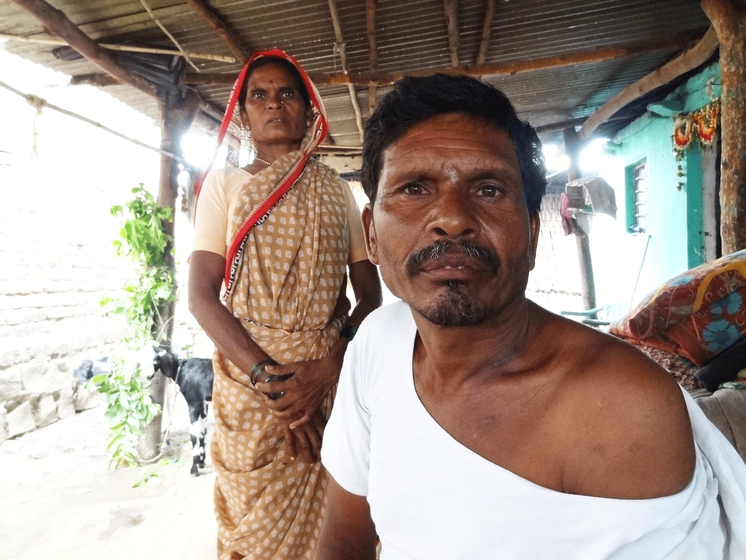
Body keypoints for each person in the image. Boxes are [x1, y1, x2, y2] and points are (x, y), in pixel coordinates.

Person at [316, 74, 746, 559]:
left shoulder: (621, 409)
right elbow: (344, 540)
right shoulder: (376, 345)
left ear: (533, 233)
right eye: (415, 188)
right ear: (371, 234)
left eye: (489, 190)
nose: (452, 217)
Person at [188, 49, 382, 560]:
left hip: (327, 378)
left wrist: (328, 367)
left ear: (308, 109)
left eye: (287, 94)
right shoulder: (224, 186)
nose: (274, 104)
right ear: (244, 114)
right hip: (249, 383)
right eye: (260, 96)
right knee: (252, 528)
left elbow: (370, 298)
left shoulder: (337, 193)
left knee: (335, 521)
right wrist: (272, 384)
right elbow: (201, 296)